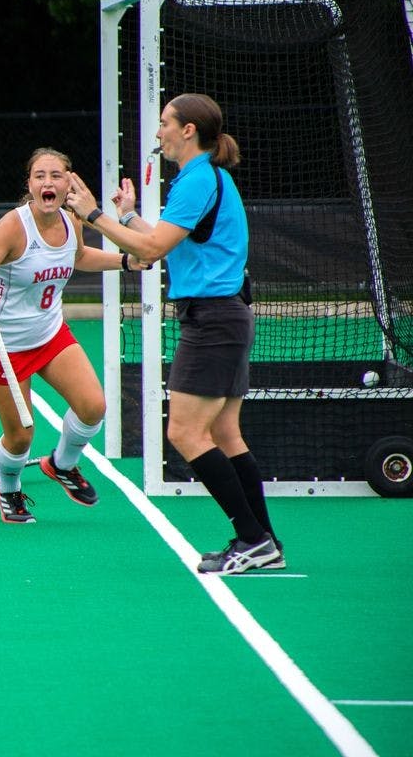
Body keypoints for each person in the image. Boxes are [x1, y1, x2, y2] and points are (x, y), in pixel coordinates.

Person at [65, 93, 282, 575]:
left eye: (165, 123)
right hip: (225, 315)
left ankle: (252, 538)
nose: (158, 132)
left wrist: (93, 214)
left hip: (215, 320)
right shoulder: (205, 178)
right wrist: (124, 216)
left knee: (184, 431)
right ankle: (263, 540)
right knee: (224, 431)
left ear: (188, 131)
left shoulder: (197, 178)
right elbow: (166, 241)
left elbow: (155, 247)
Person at [0, 147, 150, 525]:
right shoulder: (13, 226)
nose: (48, 182)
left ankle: (62, 465)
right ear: (29, 185)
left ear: (69, 183)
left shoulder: (71, 220)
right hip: (3, 344)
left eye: (56, 176)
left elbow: (77, 257)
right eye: (40, 176)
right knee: (20, 437)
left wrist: (126, 261)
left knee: (93, 406)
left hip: (49, 334)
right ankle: (9, 489)